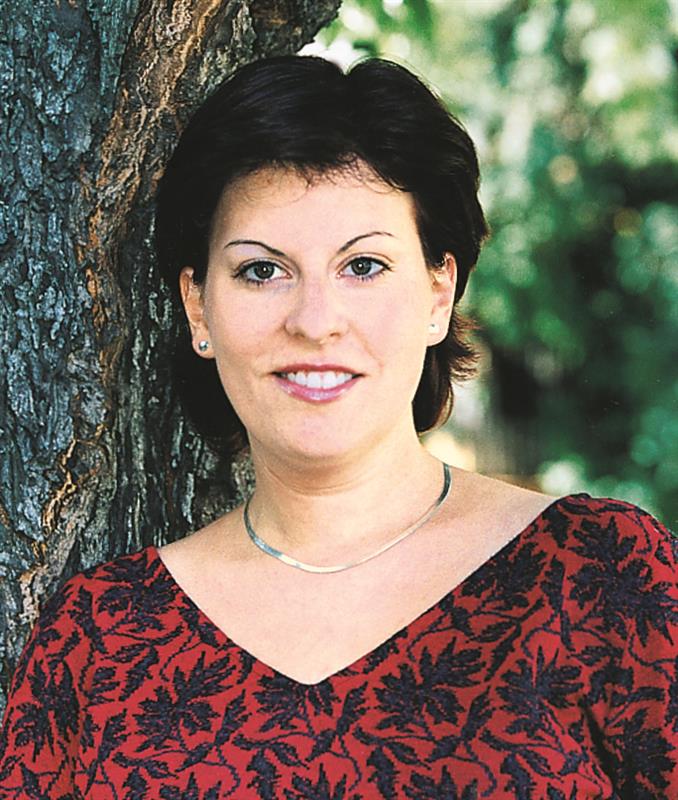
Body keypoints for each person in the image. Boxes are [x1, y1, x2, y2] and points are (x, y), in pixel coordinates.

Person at [0, 55, 675, 799]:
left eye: (364, 266)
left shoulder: (598, 575)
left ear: (438, 294)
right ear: (198, 307)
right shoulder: (100, 641)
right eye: (262, 270)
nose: (316, 321)